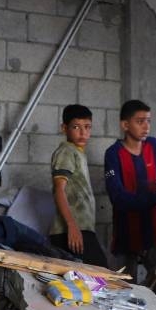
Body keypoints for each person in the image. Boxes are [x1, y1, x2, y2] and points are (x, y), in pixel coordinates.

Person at [104, 99, 156, 282]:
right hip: (125, 239)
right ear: (125, 125)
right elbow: (119, 198)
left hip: (155, 235)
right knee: (121, 292)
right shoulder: (113, 154)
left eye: (148, 121)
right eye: (140, 121)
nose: (146, 126)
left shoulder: (153, 146)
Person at [48, 104, 108, 267]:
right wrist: (72, 225)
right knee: (101, 274)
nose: (83, 133)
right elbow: (58, 190)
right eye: (76, 127)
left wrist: (111, 174)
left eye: (87, 127)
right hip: (70, 231)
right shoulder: (66, 151)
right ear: (64, 128)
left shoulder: (78, 153)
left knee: (93, 279)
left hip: (80, 229)